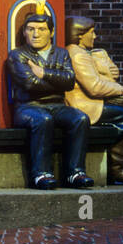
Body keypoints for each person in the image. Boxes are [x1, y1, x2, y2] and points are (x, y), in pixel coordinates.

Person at [7, 11, 93, 189]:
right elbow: (30, 85)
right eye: (30, 29)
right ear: (24, 32)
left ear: (51, 32)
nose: (36, 34)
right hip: (28, 106)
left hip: (57, 105)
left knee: (80, 119)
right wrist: (56, 81)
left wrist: (44, 73)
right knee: (43, 120)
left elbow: (69, 81)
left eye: (41, 29)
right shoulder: (18, 55)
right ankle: (41, 174)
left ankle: (75, 172)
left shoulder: (61, 54)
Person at [64, 15, 123, 185]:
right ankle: (116, 168)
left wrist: (105, 70)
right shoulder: (77, 54)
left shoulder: (86, 53)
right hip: (85, 106)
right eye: (91, 32)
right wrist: (122, 89)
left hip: (92, 102)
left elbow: (100, 77)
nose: (95, 36)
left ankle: (114, 165)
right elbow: (94, 87)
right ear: (79, 35)